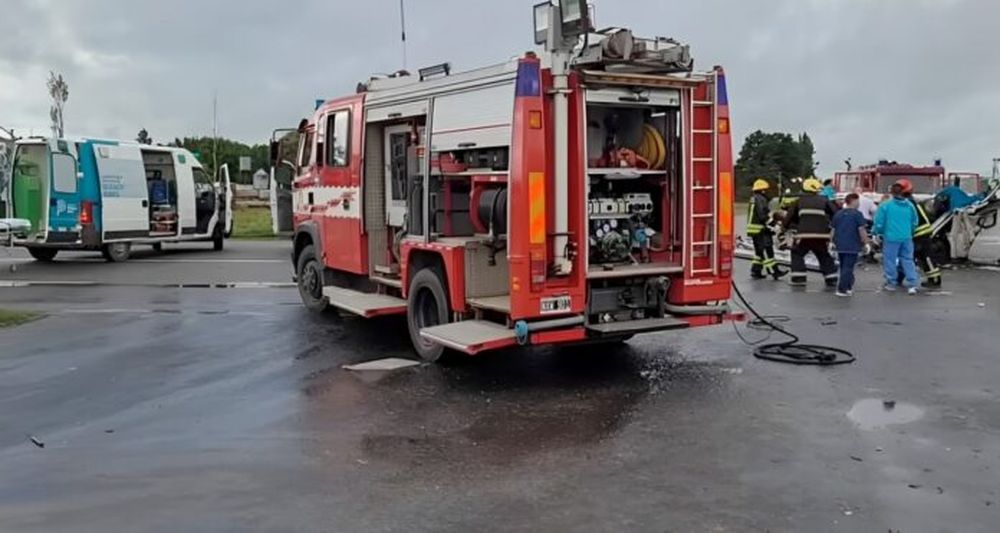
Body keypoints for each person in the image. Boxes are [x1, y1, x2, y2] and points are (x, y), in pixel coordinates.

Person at [785, 178, 839, 288]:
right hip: (822, 235)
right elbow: (836, 214)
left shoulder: (798, 201)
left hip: (804, 235)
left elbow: (789, 218)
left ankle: (799, 278)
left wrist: (785, 227)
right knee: (823, 254)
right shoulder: (825, 200)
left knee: (797, 253)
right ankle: (831, 278)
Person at [873, 182, 920, 294]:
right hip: (907, 237)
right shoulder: (910, 205)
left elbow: (879, 223)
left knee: (890, 260)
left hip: (891, 237)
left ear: (892, 192)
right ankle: (913, 284)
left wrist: (877, 233)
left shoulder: (885, 206)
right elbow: (915, 222)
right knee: (908, 260)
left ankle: (891, 283)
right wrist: (910, 232)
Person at [898, 179, 942, 287]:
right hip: (923, 233)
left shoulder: (905, 203)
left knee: (908, 257)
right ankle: (935, 279)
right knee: (925, 257)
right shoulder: (912, 201)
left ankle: (897, 279)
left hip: (917, 234)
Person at [746, 179, 788, 280]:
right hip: (759, 230)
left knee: (759, 252)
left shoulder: (754, 198)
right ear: (763, 190)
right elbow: (762, 215)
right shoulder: (761, 199)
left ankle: (756, 271)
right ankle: (774, 271)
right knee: (766, 251)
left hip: (754, 229)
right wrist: (774, 224)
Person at [831, 193, 870, 297]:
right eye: (858, 201)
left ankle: (848, 287)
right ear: (854, 201)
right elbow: (861, 230)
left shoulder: (838, 214)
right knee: (848, 268)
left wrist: (831, 242)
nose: (859, 204)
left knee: (844, 266)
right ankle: (842, 289)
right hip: (852, 244)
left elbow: (833, 230)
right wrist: (866, 243)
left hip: (839, 244)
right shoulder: (857, 214)